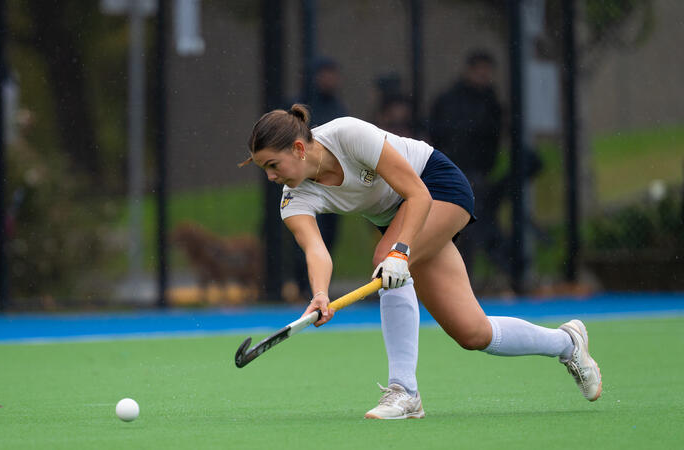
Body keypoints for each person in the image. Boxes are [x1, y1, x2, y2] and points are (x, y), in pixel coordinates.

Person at [240, 104, 602, 419]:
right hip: (400, 217)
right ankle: (567, 343)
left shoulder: (348, 134)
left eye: (273, 165)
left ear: (299, 148)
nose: (271, 177)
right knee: (473, 332)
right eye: (264, 170)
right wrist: (320, 293)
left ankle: (404, 391)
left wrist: (399, 253)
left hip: (436, 187)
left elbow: (417, 193)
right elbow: (316, 250)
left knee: (385, 260)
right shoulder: (294, 198)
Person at [428, 50, 510, 279]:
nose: (484, 75)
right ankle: (456, 279)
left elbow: (494, 136)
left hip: (480, 175)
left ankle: (480, 278)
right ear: (469, 70)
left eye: (488, 70)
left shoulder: (491, 102)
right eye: (479, 69)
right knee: (458, 230)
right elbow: (439, 133)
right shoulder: (450, 100)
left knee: (478, 228)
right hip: (453, 173)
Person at [288, 57, 349, 300]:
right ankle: (306, 288)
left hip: (332, 187)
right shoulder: (293, 108)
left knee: (329, 236)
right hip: (305, 186)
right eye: (324, 73)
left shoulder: (340, 109)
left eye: (332, 73)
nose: (329, 79)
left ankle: (318, 289)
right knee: (307, 237)